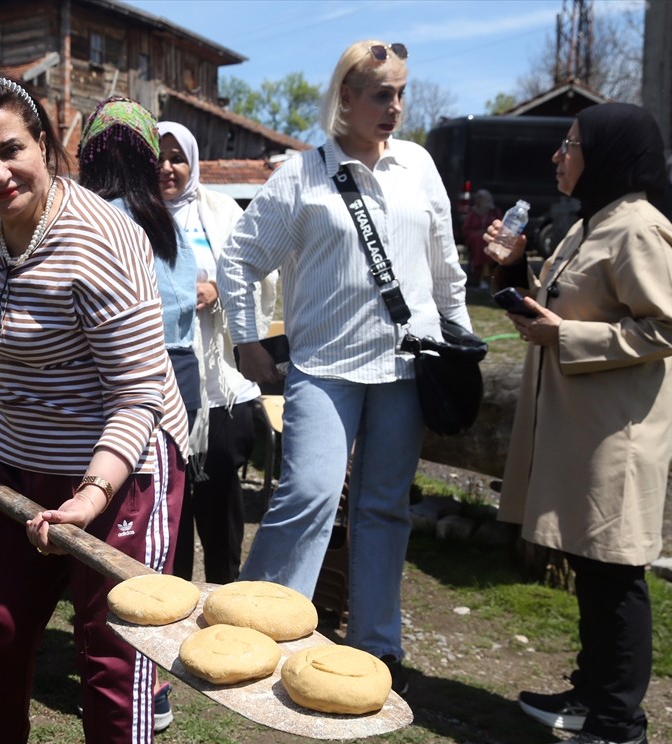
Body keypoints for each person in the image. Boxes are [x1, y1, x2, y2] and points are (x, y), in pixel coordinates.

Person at [0, 75, 189, 744]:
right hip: (19, 465)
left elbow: (137, 397)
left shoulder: (104, 240)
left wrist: (92, 496)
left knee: (112, 654)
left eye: (10, 151)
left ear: (46, 146)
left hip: (123, 474)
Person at [217, 40, 471, 696]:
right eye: (380, 93)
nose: (395, 106)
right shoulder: (304, 175)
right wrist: (247, 339)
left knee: (385, 507)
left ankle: (378, 645)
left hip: (407, 369)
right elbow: (241, 257)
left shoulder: (417, 166)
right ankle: (265, 629)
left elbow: (445, 262)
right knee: (309, 493)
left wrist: (461, 336)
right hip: (325, 365)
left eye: (401, 91)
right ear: (346, 99)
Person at [487, 103, 672, 744]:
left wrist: (565, 338)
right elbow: (560, 313)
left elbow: (669, 328)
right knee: (593, 567)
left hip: (620, 437)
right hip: (586, 431)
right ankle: (589, 697)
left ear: (605, 154)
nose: (557, 155)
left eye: (570, 144)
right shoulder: (592, 223)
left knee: (615, 575)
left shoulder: (637, 228)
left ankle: (621, 732)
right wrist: (516, 274)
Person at [76, 97, 197, 733]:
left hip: (108, 402)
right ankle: (151, 690)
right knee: (152, 552)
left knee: (105, 560)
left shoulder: (90, 222)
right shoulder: (166, 225)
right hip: (174, 393)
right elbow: (181, 316)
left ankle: (124, 685)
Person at [156, 120, 277, 586]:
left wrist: (218, 291)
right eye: (158, 158)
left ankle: (226, 595)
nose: (167, 168)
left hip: (222, 382)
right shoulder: (136, 217)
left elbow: (260, 274)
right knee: (173, 500)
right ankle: (173, 597)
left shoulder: (223, 212)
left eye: (177, 157)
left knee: (221, 494)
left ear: (193, 162)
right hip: (164, 378)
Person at [461, 188, 501, 288]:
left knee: (488, 241)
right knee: (480, 240)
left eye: (480, 198)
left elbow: (501, 227)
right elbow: (466, 230)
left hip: (491, 239)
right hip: (476, 240)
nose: (477, 200)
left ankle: (488, 274)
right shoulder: (473, 213)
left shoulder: (494, 213)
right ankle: (483, 274)